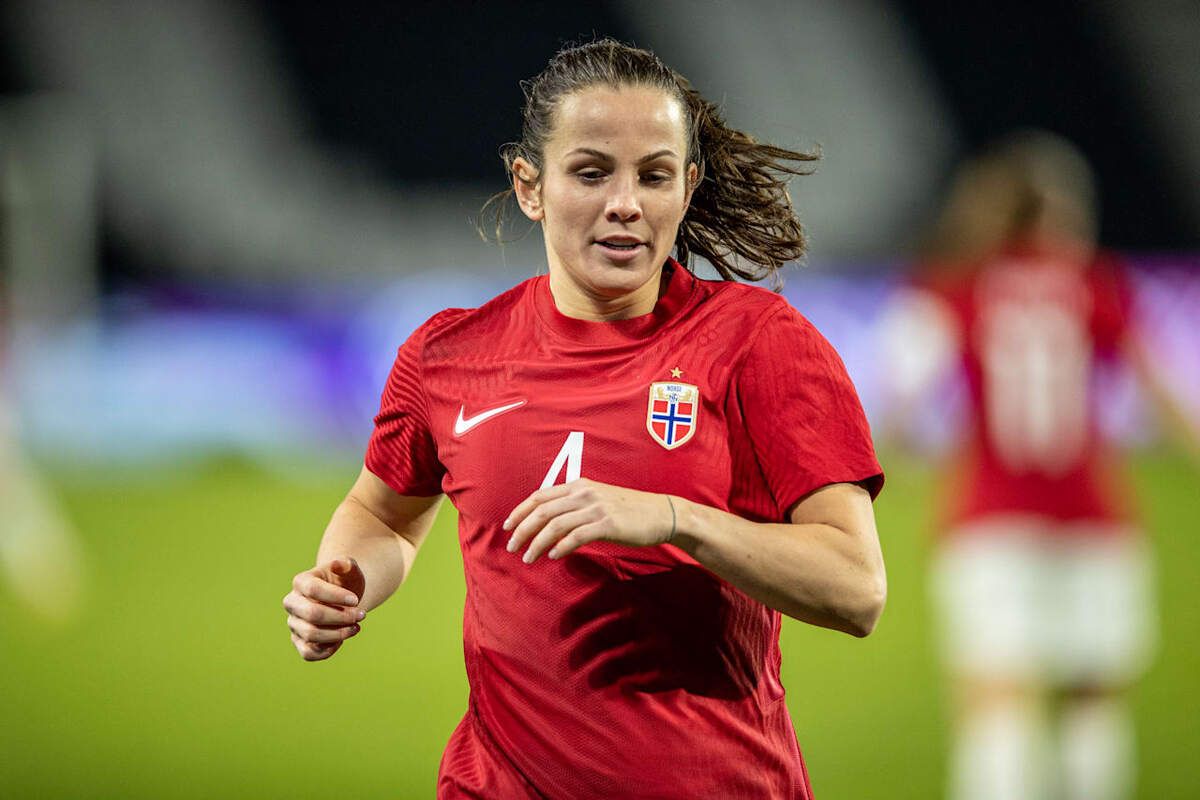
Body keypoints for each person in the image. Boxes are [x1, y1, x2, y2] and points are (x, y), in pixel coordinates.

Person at [283, 39, 886, 800]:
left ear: (688, 187)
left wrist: (674, 519)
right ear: (529, 187)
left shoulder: (759, 342)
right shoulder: (447, 354)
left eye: (654, 175)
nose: (625, 202)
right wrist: (342, 584)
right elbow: (384, 516)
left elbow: (855, 589)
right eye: (592, 172)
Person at [883, 131, 1197, 800]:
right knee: (1093, 701)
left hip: (990, 518)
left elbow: (901, 401)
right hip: (1093, 515)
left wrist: (886, 461)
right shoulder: (1095, 283)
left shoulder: (956, 285)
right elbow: (1160, 388)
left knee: (995, 699)